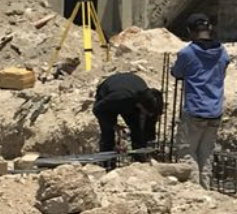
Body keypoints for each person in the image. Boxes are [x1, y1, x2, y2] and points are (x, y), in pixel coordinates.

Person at [171, 12, 231, 185]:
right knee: (207, 153)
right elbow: (222, 71)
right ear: (209, 28)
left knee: (187, 152)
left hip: (194, 110)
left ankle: (193, 191)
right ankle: (205, 191)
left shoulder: (187, 53)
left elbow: (177, 72)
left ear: (190, 30)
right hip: (215, 111)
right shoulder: (222, 52)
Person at [92, 71, 163, 167]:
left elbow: (149, 124)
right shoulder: (118, 97)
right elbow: (97, 109)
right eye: (146, 113)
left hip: (129, 96)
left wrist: (148, 142)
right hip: (107, 103)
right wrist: (114, 125)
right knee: (108, 134)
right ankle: (108, 165)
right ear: (141, 106)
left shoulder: (150, 97)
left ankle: (139, 162)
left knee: (137, 130)